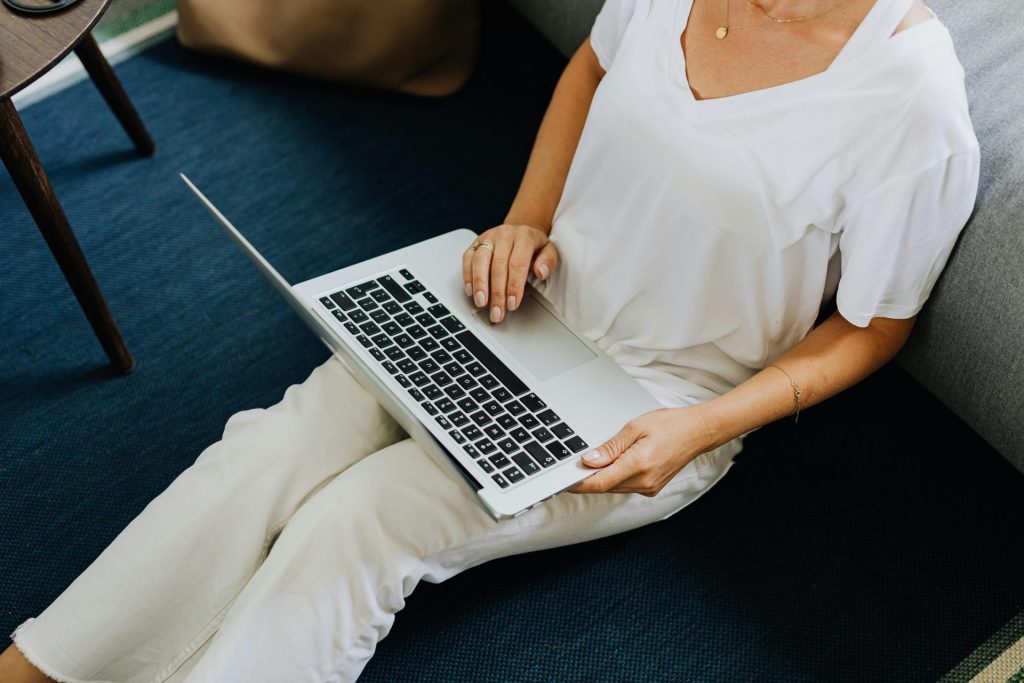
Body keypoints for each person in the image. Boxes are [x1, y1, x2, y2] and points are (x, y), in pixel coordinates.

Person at [1, 0, 979, 680]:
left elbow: (871, 326)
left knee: (365, 519)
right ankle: (34, 664)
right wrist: (523, 220)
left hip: (652, 404)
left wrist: (698, 426)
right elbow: (591, 67)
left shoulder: (909, 104)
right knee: (280, 440)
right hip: (514, 308)